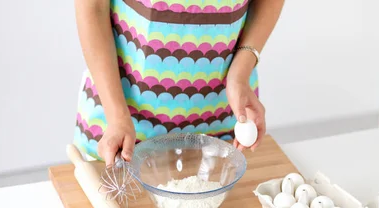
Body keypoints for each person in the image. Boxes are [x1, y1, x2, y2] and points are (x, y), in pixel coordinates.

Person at [74, 0, 284, 165]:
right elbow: (93, 7)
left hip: (222, 126)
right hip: (120, 129)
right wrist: (117, 117)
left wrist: (240, 73)